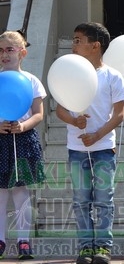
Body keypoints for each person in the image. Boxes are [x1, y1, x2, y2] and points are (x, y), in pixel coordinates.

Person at [55, 23, 124, 264]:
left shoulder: (113, 76)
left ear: (95, 45)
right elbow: (60, 110)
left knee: (104, 199)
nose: (73, 44)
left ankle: (103, 248)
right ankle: (86, 247)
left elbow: (119, 113)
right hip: (77, 149)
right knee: (81, 199)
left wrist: (97, 135)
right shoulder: (69, 73)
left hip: (104, 148)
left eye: (78, 40)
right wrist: (74, 121)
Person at [0, 31, 46, 260]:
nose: (4, 54)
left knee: (21, 193)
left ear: (22, 53)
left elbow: (38, 113)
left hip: (23, 139)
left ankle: (23, 241)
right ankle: (0, 239)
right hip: (0, 139)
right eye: (0, 50)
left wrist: (24, 125)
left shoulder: (31, 80)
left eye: (9, 49)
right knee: (0, 194)